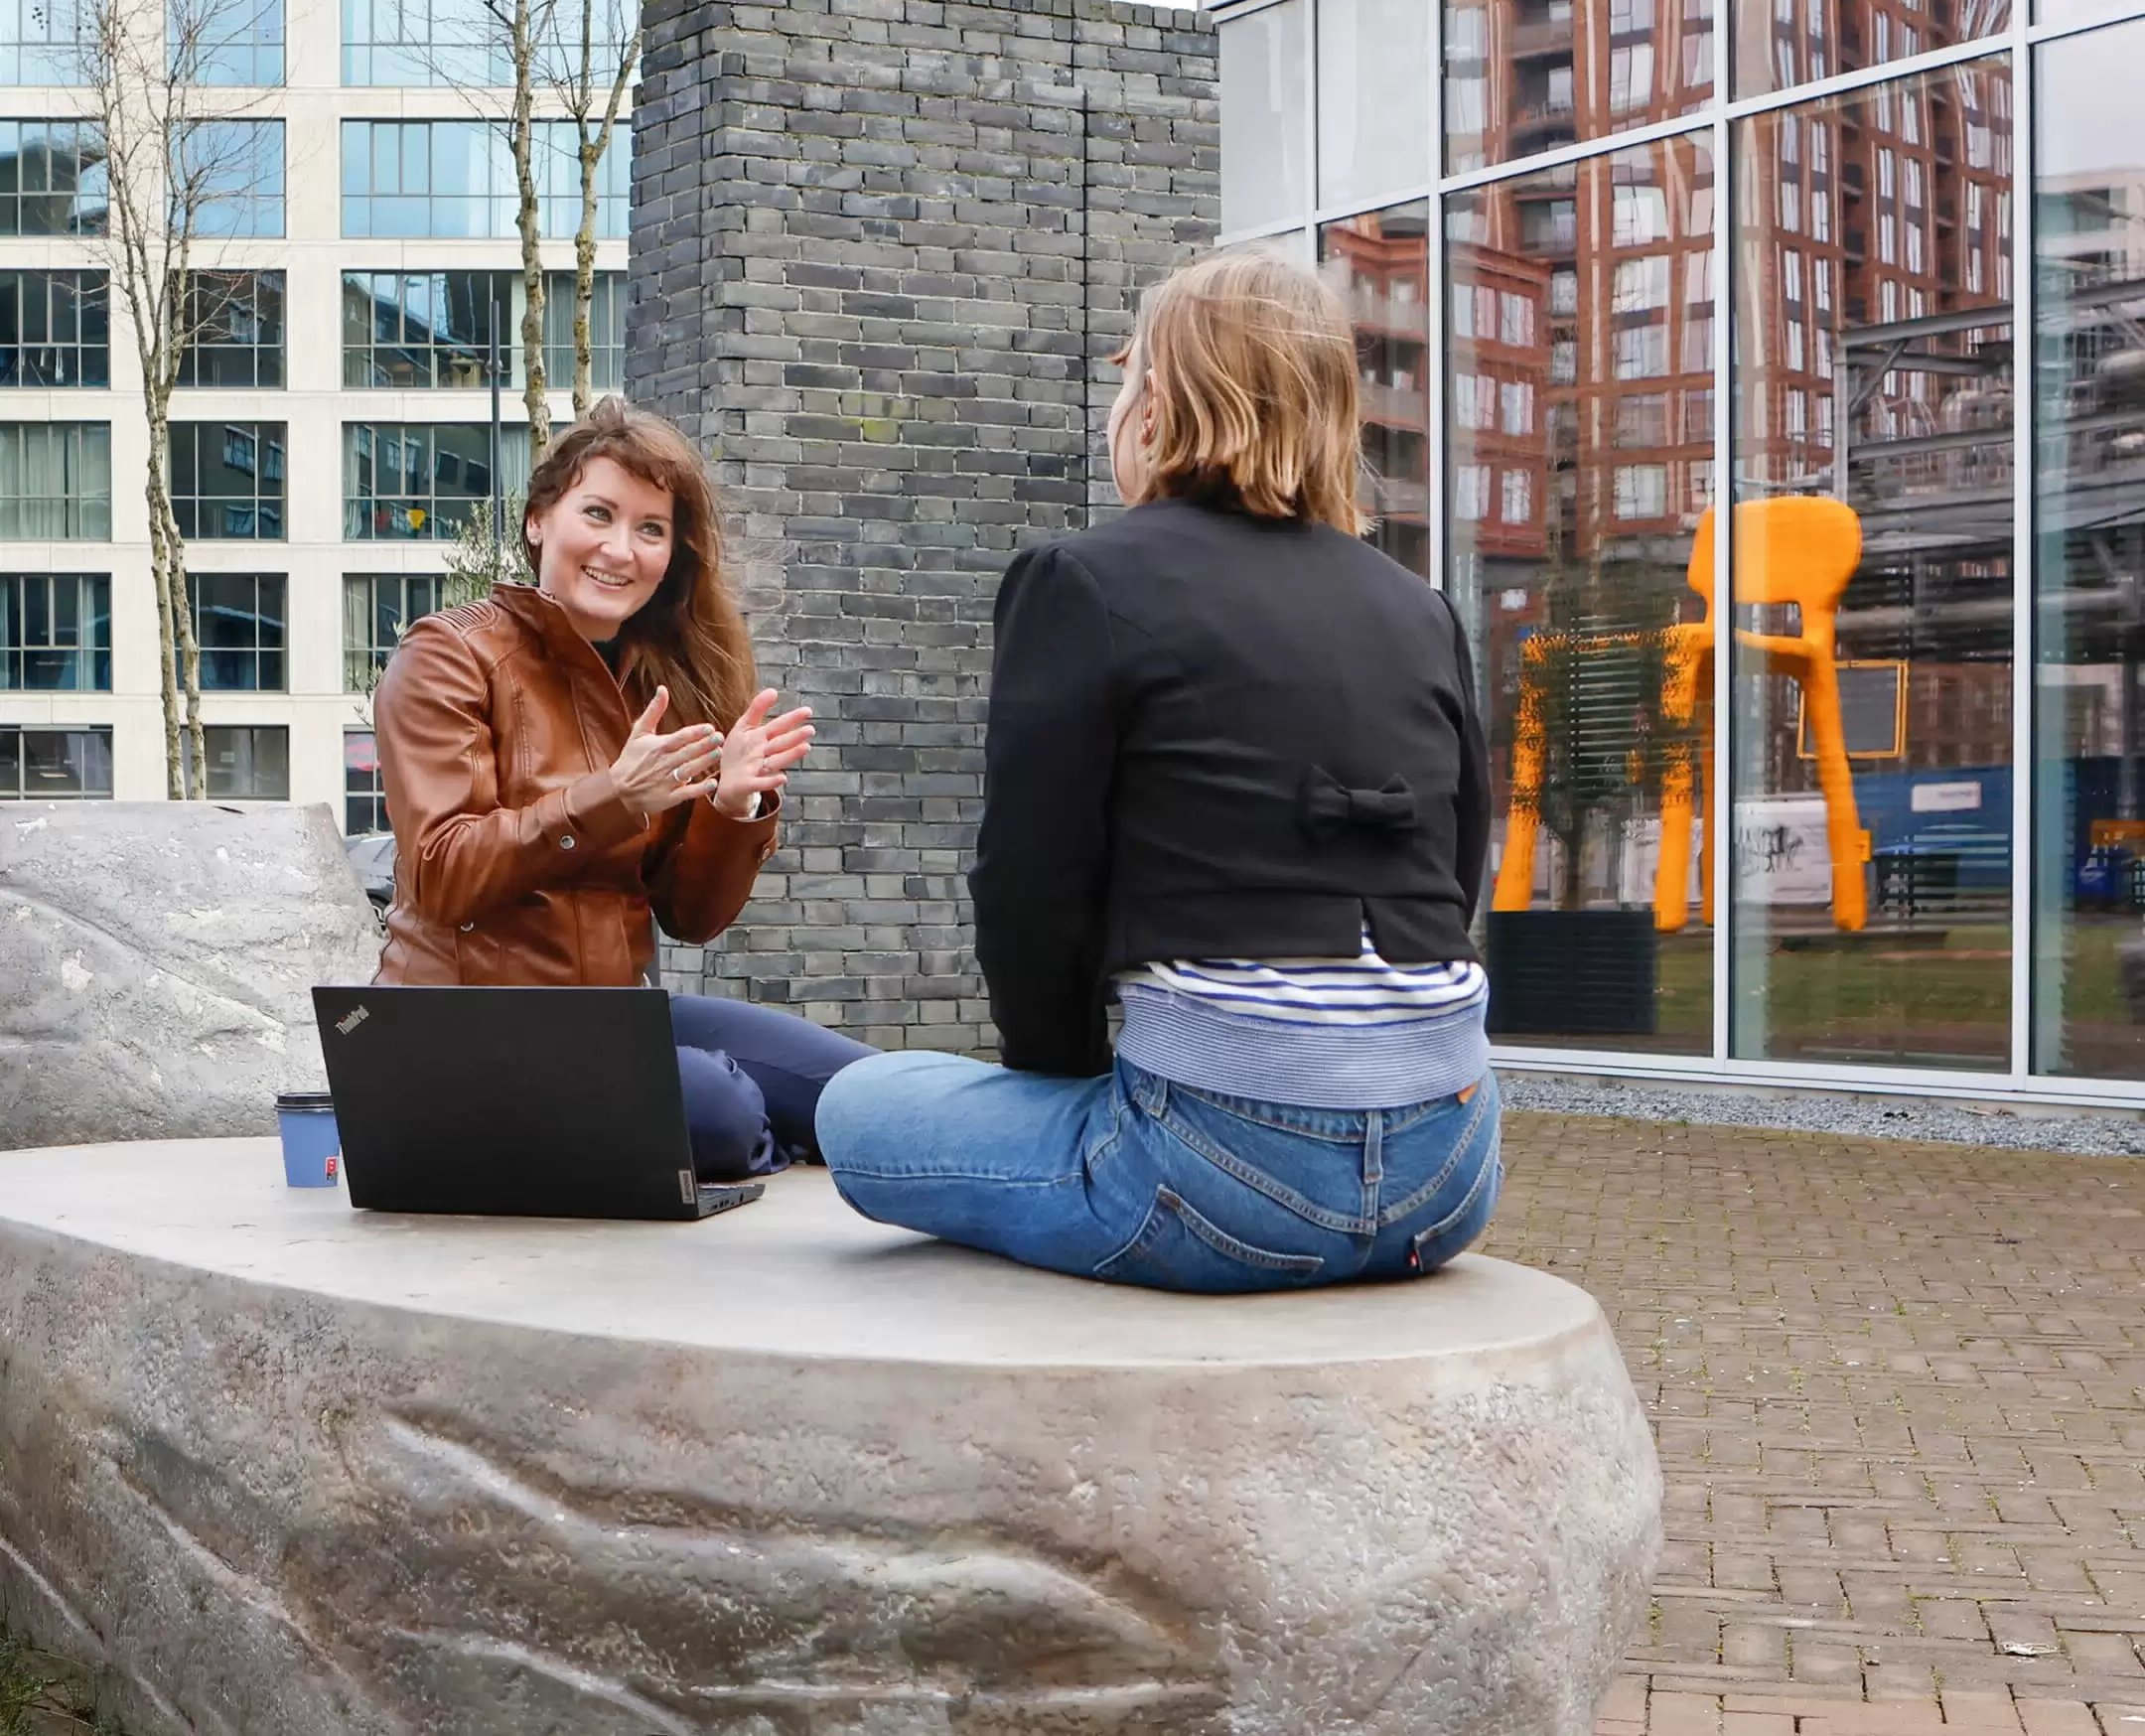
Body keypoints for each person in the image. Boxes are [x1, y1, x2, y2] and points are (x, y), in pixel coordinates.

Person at [816, 248, 1499, 1292]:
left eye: (1129, 369)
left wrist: (1059, 1082)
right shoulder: (1421, 608)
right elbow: (1457, 869)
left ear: (1164, 397)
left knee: (859, 1107)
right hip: (1448, 1175)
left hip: (1216, 1178)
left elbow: (1031, 887)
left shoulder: (1081, 581)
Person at [370, 396, 873, 1179]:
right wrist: (613, 798)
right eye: (598, 514)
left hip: (613, 1019)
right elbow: (443, 873)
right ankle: (751, 1134)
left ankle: (768, 1133)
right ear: (539, 520)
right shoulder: (449, 655)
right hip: (466, 1029)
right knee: (720, 1109)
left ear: (672, 554)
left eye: (650, 529)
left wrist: (730, 808)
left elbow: (691, 919)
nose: (620, 549)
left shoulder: (656, 680)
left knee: (879, 1092)